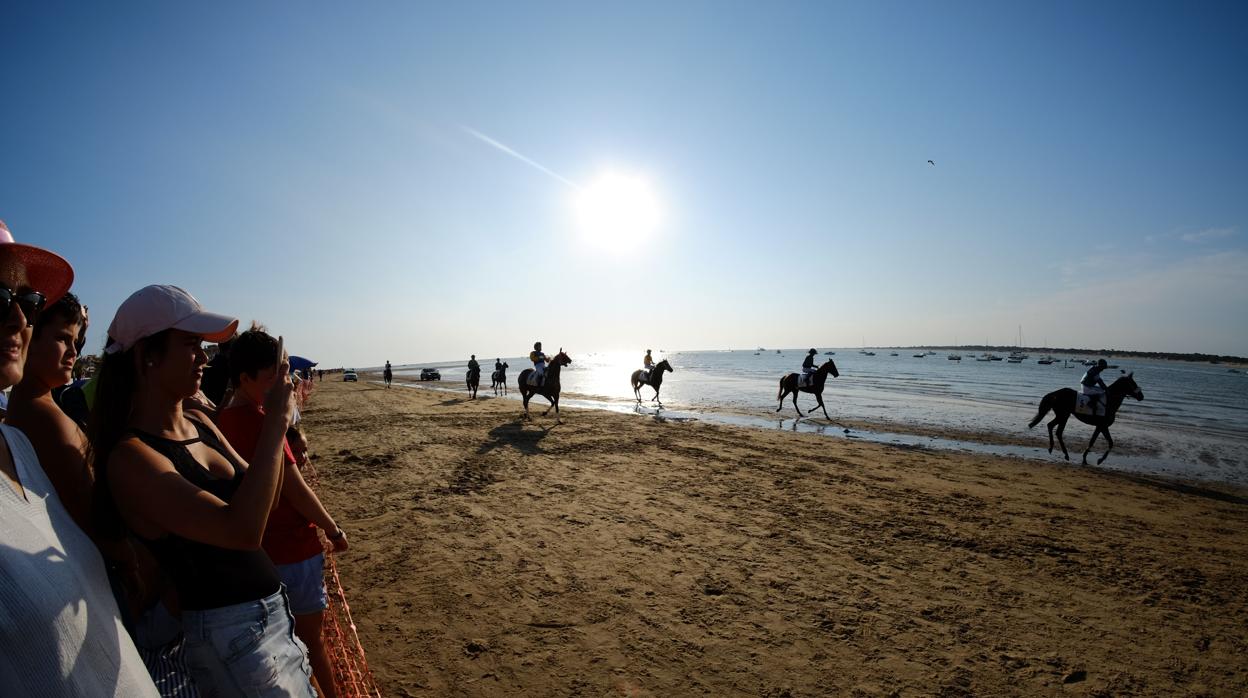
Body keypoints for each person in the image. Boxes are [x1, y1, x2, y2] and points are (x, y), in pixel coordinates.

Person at [90, 284, 315, 696]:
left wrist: (276, 423)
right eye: (191, 344)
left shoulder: (199, 421)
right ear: (147, 356)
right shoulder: (131, 458)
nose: (204, 358)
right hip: (231, 639)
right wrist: (276, 424)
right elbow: (242, 531)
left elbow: (265, 494)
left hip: (273, 618)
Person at [0, 221, 159, 695]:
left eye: (26, 303)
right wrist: (131, 563)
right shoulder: (38, 421)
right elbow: (88, 508)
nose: (18, 321)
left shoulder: (18, 445)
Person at [217, 329, 347, 698]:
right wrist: (333, 529)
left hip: (257, 558)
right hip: (292, 549)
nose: (286, 383)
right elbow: (296, 490)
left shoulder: (222, 418)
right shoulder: (264, 421)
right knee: (311, 645)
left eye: (286, 371)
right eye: (275, 375)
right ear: (245, 379)